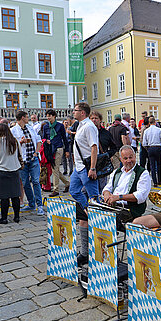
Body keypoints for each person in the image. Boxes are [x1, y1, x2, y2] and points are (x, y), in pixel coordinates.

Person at [69, 102, 99, 267]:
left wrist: (93, 168)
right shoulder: (80, 125)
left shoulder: (89, 126)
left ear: (82, 112)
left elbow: (93, 147)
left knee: (95, 198)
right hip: (78, 167)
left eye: (75, 110)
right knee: (74, 191)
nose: (73, 112)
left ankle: (97, 220)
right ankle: (88, 210)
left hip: (87, 168)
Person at [102, 145, 151, 222]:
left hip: (130, 209)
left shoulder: (143, 173)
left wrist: (119, 197)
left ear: (135, 156)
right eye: (125, 158)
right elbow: (108, 187)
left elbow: (141, 196)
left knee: (106, 219)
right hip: (114, 206)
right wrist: (107, 194)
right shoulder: (117, 172)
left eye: (131, 157)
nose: (128, 160)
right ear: (121, 159)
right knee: (91, 213)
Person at [11, 111, 44, 216]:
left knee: (35, 182)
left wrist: (36, 153)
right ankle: (31, 203)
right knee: (25, 183)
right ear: (22, 118)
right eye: (26, 117)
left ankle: (40, 206)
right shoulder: (13, 130)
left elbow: (39, 140)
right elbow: (11, 146)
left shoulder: (30, 128)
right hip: (22, 161)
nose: (28, 118)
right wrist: (20, 142)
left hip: (33, 159)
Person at [42, 109, 70, 197]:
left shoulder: (60, 126)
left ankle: (56, 189)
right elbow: (43, 138)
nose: (48, 117)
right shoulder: (45, 126)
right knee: (55, 169)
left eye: (49, 115)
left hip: (58, 148)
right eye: (47, 116)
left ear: (54, 116)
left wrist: (67, 151)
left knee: (55, 168)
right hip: (50, 149)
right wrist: (46, 141)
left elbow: (65, 139)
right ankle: (67, 183)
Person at [0, 123, 22, 224]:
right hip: (14, 170)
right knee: (15, 195)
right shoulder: (14, 141)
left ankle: (4, 218)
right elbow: (19, 154)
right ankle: (16, 216)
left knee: (4, 196)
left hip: (2, 170)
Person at [90, 111, 117, 191]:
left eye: (96, 118)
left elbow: (113, 147)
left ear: (100, 120)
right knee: (89, 187)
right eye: (92, 118)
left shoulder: (106, 133)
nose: (94, 120)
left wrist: (107, 155)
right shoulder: (87, 131)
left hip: (102, 163)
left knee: (102, 186)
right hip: (90, 162)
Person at [142, 117, 161, 187]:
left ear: (149, 123)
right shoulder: (159, 130)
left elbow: (144, 143)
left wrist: (147, 149)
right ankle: (159, 180)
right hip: (158, 147)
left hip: (150, 147)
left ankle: (154, 182)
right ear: (155, 122)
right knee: (158, 165)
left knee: (152, 165)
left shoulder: (146, 131)